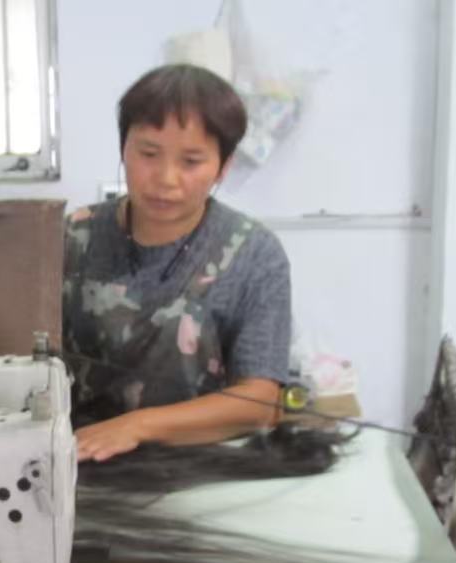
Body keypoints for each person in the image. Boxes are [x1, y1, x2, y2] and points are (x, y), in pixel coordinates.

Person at [64, 64, 293, 463]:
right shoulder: (72, 238)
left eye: (191, 161)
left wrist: (137, 426)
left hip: (199, 464)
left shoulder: (255, 253)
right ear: (123, 149)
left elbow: (260, 401)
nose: (166, 178)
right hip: (81, 458)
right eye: (148, 154)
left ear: (223, 166)